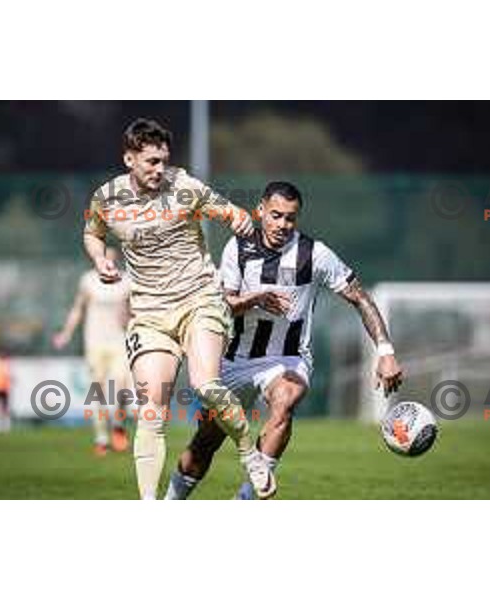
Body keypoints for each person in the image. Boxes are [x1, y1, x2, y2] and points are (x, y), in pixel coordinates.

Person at [164, 181, 404, 500]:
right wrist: (255, 299)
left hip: (288, 359)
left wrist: (385, 352)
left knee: (285, 401)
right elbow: (221, 306)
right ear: (261, 210)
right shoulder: (239, 248)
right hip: (236, 360)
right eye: (276, 215)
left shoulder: (314, 254)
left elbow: (360, 297)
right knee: (205, 442)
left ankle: (246, 500)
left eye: (290, 218)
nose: (282, 224)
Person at [83, 118, 275, 499]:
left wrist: (245, 226)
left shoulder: (186, 187)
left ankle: (248, 451)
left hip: (199, 299)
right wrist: (100, 259)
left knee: (206, 386)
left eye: (163, 160)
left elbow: (236, 217)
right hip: (150, 314)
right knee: (151, 409)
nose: (159, 169)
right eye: (151, 161)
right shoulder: (106, 198)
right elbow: (92, 232)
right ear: (129, 159)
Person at [53, 247, 131, 455]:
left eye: (113, 258)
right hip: (95, 343)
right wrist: (65, 334)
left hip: (119, 343)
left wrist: (129, 318)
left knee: (120, 385)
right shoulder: (88, 280)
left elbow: (133, 312)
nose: (109, 262)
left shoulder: (126, 281)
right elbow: (78, 308)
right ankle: (101, 438)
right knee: (97, 391)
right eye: (106, 258)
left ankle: (118, 424)